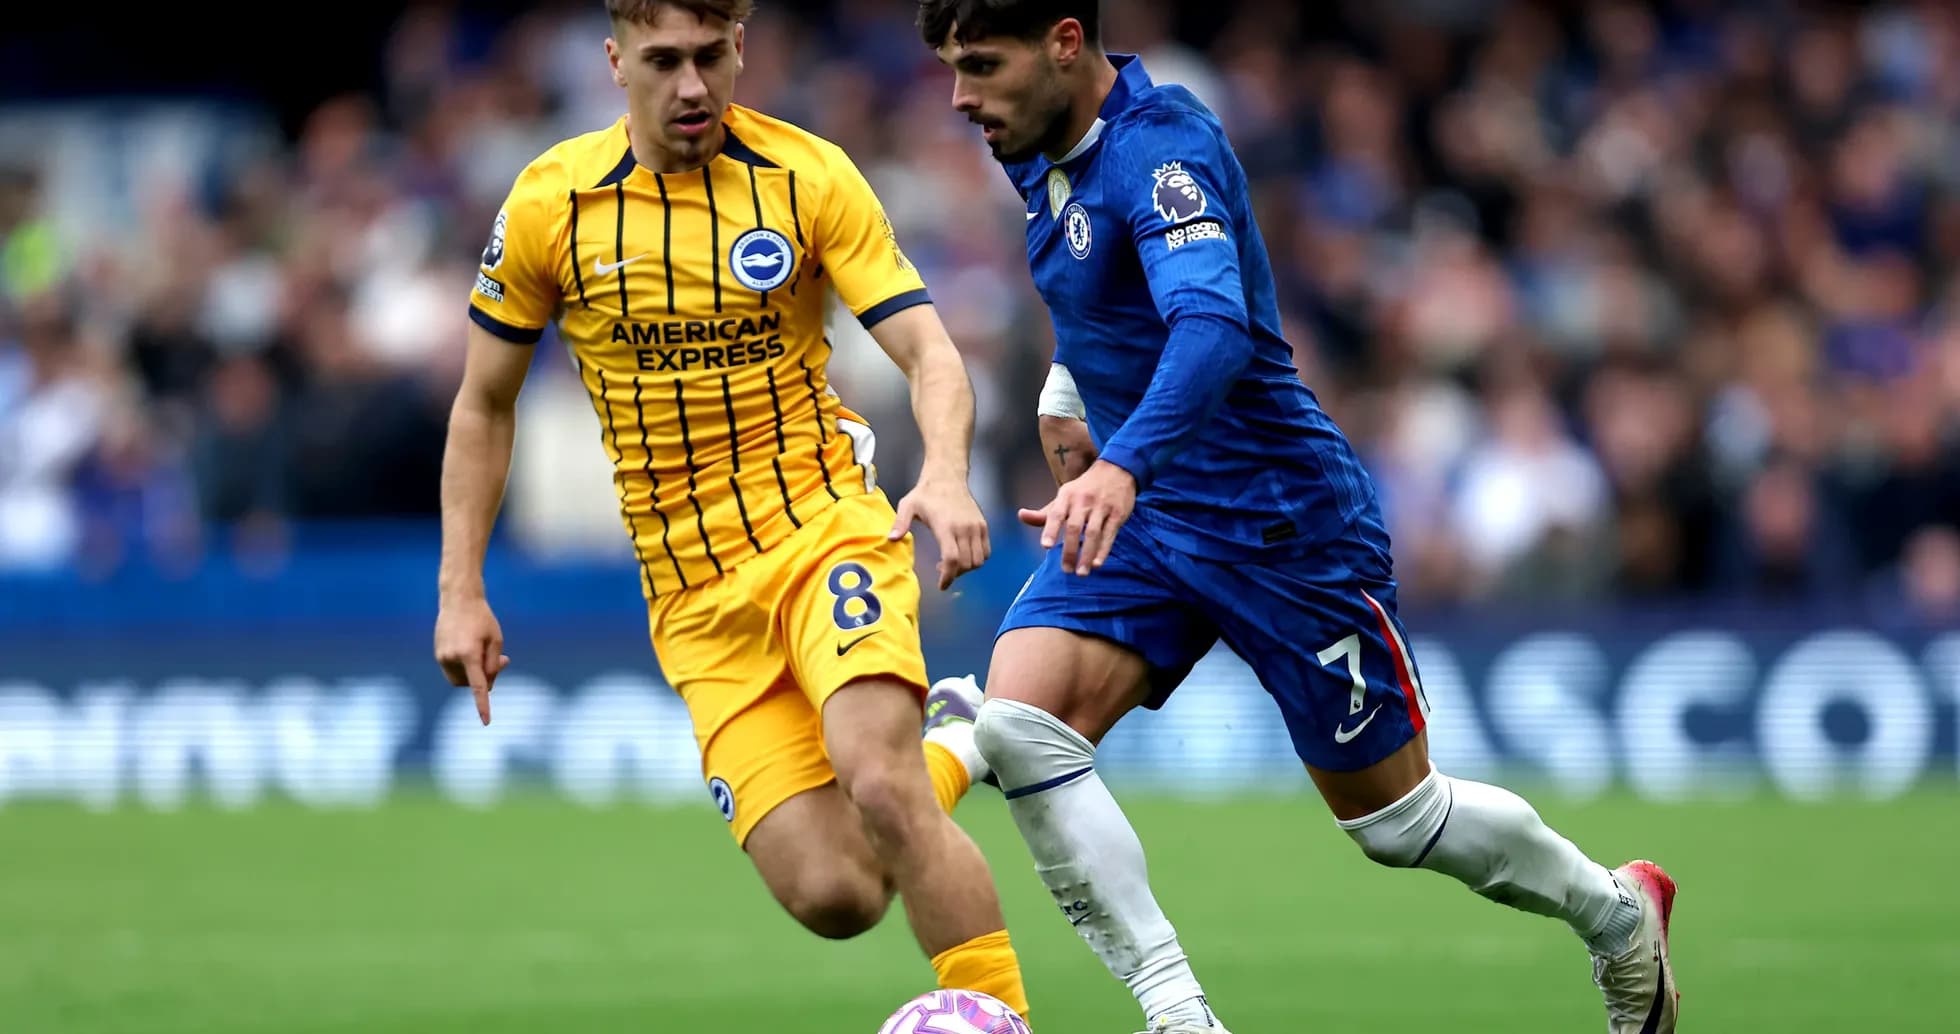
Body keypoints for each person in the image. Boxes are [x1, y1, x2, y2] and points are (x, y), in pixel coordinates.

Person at [917, 2, 1679, 1032]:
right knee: (1021, 722)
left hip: (1280, 522)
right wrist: (1068, 389)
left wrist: (1121, 462)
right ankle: (1181, 1016)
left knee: (1399, 822)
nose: (960, 96)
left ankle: (1617, 910)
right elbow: (1111, 300)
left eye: (980, 65)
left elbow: (1212, 324)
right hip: (1151, 516)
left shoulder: (1160, 152)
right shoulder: (1038, 141)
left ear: (1063, 42)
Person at [433, 0, 1031, 1021]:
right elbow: (483, 403)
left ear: (742, 49)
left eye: (712, 57)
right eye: (664, 61)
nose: (693, 86)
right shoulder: (548, 204)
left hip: (822, 526)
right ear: (616, 61)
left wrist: (944, 471)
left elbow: (931, 352)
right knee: (837, 893)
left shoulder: (808, 177)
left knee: (875, 784)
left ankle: (997, 1015)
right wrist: (461, 589)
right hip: (694, 594)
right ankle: (955, 740)